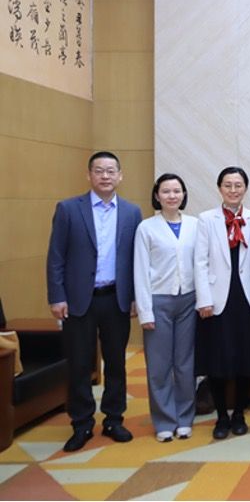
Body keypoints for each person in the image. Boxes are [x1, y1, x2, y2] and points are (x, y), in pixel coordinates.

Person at [47, 151, 143, 452]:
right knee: (79, 363)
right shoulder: (68, 209)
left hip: (116, 298)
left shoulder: (131, 212)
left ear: (120, 176)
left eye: (111, 171)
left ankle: (114, 419)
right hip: (79, 300)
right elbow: (56, 257)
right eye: (99, 170)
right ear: (88, 175)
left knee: (116, 362)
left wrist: (135, 297)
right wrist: (57, 296)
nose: (105, 176)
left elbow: (136, 260)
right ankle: (82, 423)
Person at [194, 167, 250, 440]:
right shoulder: (206, 219)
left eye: (238, 185)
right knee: (217, 362)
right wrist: (203, 300)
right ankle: (221, 416)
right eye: (228, 185)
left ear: (245, 188)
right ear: (219, 188)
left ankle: (239, 414)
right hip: (216, 300)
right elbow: (199, 262)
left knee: (245, 360)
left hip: (246, 299)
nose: (233, 190)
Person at [134, 173, 198, 442]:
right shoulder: (146, 228)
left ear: (183, 195)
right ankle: (163, 421)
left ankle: (184, 418)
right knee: (159, 366)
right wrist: (145, 311)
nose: (172, 196)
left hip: (189, 301)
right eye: (166, 191)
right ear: (157, 196)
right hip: (158, 301)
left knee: (185, 364)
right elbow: (140, 271)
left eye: (177, 191)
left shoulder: (195, 225)